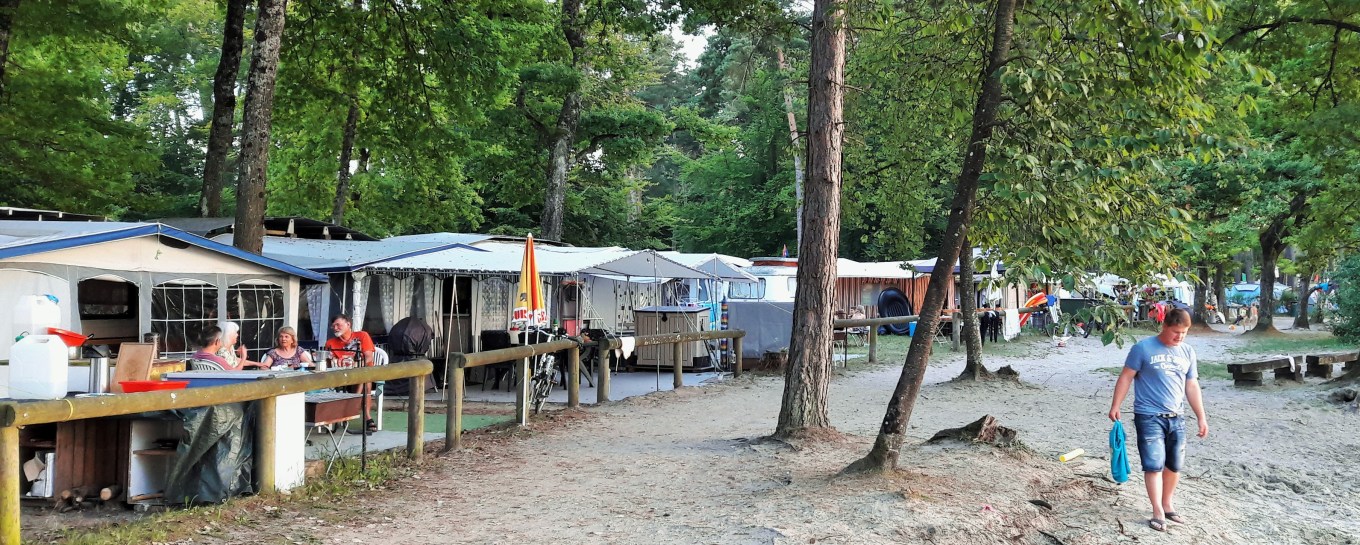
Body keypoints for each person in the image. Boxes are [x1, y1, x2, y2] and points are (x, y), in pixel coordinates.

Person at [1108, 308, 1209, 532]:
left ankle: (1167, 504)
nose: (1179, 337)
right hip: (1148, 415)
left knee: (1174, 464)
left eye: (1184, 333)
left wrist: (1201, 417)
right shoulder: (1143, 348)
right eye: (1175, 332)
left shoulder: (1187, 352)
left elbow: (1192, 385)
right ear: (1164, 326)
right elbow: (1126, 377)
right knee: (1153, 464)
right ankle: (1157, 510)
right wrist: (1116, 405)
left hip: (1177, 416)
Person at [323, 314, 377, 434]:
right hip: (341, 376)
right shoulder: (330, 343)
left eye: (338, 325)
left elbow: (369, 357)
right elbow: (329, 363)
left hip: (362, 372)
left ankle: (360, 413)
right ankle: (358, 412)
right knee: (363, 381)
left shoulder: (362, 336)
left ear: (348, 324)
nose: (335, 328)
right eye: (333, 326)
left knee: (365, 380)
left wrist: (355, 364)